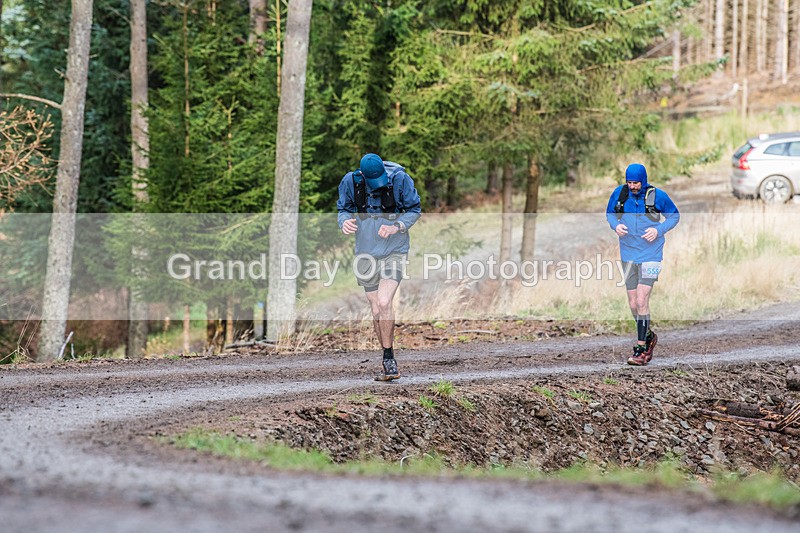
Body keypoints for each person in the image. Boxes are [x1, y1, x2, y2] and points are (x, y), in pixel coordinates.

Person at [337, 153, 422, 381]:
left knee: (385, 302)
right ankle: (386, 357)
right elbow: (343, 208)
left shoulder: (401, 179)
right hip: (365, 252)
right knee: (376, 309)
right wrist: (344, 221)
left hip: (395, 249)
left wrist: (397, 226)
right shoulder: (350, 181)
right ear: (363, 175)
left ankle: (389, 360)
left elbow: (414, 209)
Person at [606, 163, 680, 366]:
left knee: (641, 300)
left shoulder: (657, 196)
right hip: (628, 254)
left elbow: (674, 216)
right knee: (632, 304)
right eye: (629, 182)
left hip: (651, 254)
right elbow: (610, 214)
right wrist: (616, 226)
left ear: (643, 180)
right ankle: (648, 336)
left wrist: (659, 230)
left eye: (636, 183)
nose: (633, 186)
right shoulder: (620, 194)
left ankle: (642, 349)